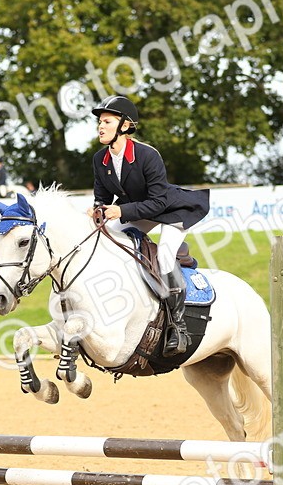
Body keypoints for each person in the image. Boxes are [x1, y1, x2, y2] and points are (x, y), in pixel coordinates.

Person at [87, 95, 209, 356]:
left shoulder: (147, 155)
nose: (101, 126)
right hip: (139, 209)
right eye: (100, 121)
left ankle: (178, 327)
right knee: (107, 241)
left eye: (107, 121)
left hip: (170, 209)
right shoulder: (100, 159)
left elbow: (157, 202)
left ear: (125, 126)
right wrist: (97, 209)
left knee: (164, 256)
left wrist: (121, 210)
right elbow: (102, 197)